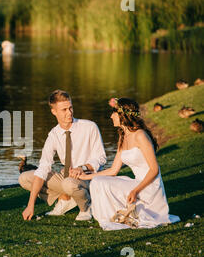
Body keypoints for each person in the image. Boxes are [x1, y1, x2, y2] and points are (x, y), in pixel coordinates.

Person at [79, 97, 180, 230]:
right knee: (98, 182)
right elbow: (113, 170)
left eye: (113, 113)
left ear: (122, 115)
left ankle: (128, 215)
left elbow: (154, 169)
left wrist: (135, 190)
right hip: (137, 182)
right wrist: (85, 176)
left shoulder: (140, 135)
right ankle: (111, 217)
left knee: (101, 182)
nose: (110, 116)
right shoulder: (123, 136)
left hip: (149, 186)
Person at [21, 90, 107, 221]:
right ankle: (64, 198)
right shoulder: (54, 134)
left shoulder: (89, 127)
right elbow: (43, 168)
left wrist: (82, 168)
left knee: (68, 183)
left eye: (71, 108)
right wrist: (30, 205)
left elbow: (101, 158)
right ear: (54, 112)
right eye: (64, 109)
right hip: (67, 177)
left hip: (88, 176)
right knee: (25, 178)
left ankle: (86, 207)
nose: (69, 113)